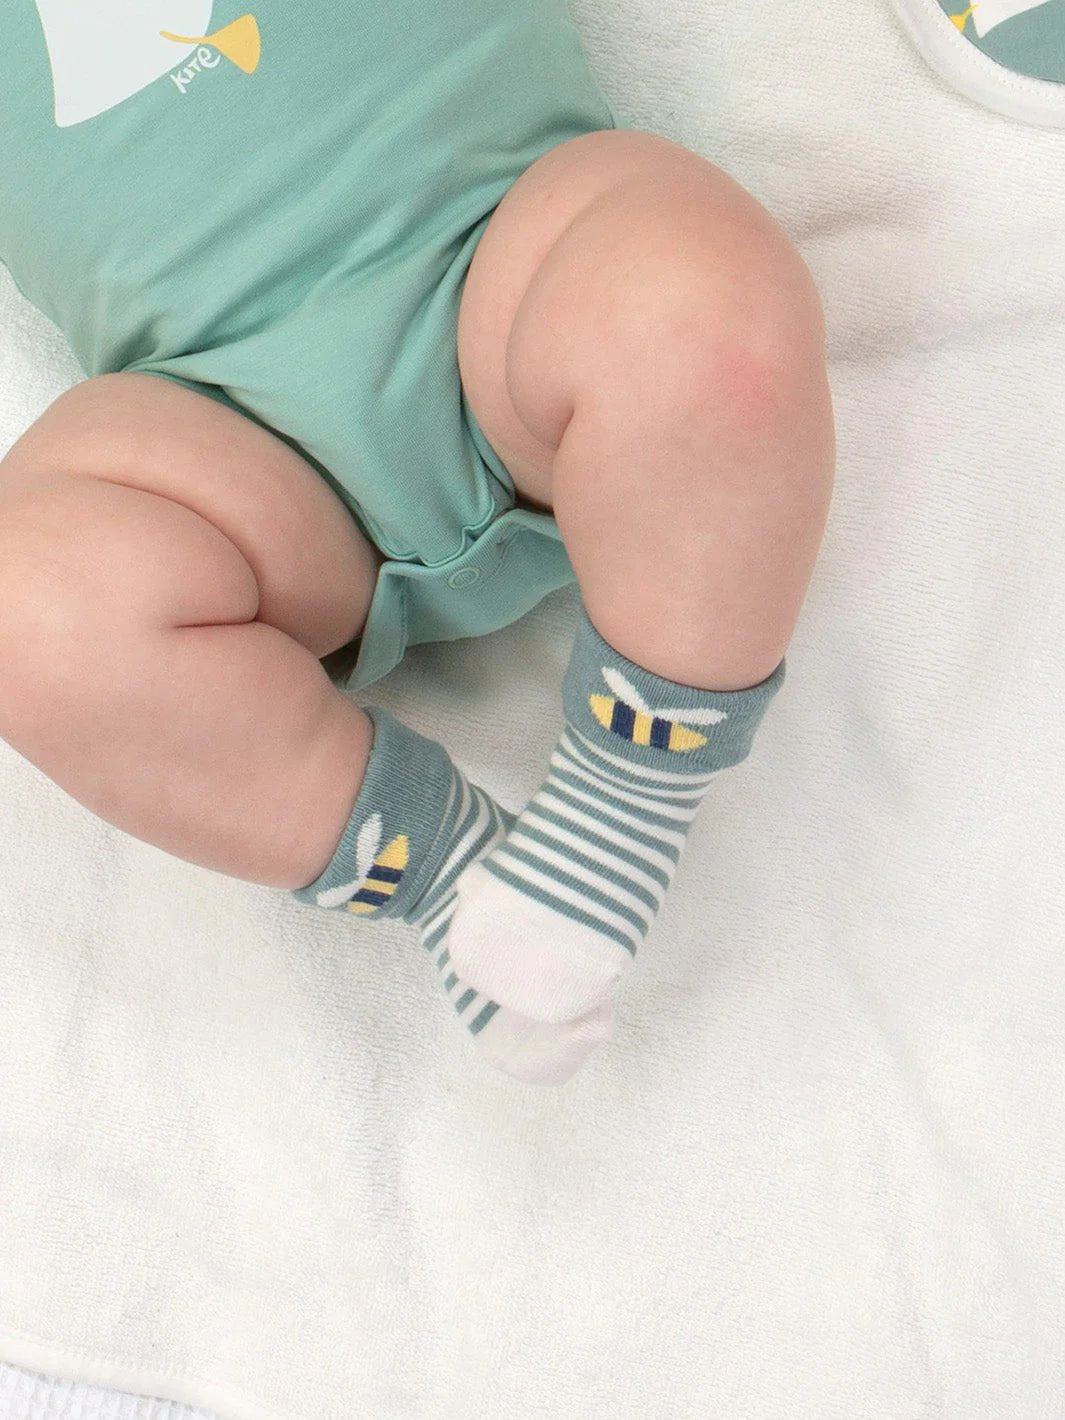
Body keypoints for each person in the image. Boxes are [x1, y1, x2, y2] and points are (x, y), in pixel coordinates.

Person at [0, 1, 835, 1084]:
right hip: (232, 436)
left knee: (698, 310)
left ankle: (626, 794)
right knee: (35, 607)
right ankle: (448, 873)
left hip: (509, 248)